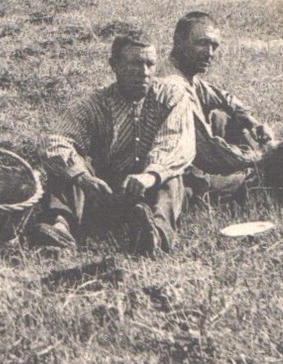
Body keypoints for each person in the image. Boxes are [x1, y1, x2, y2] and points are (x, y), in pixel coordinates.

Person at [30, 28, 200, 254]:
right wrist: (83, 177)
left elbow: (176, 142)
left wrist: (150, 175)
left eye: (150, 64)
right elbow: (56, 142)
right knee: (68, 166)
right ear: (115, 66)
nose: (144, 72)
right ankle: (60, 228)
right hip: (106, 190)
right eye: (135, 64)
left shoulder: (170, 96)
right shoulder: (95, 104)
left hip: (150, 187)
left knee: (172, 176)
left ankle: (155, 236)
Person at [166, 11, 274, 196]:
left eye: (214, 46)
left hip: (195, 159)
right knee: (261, 176)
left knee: (222, 115)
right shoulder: (173, 85)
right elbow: (209, 151)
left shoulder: (185, 74)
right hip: (179, 170)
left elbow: (223, 98)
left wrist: (252, 122)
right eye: (202, 43)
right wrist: (259, 157)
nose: (210, 53)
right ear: (179, 41)